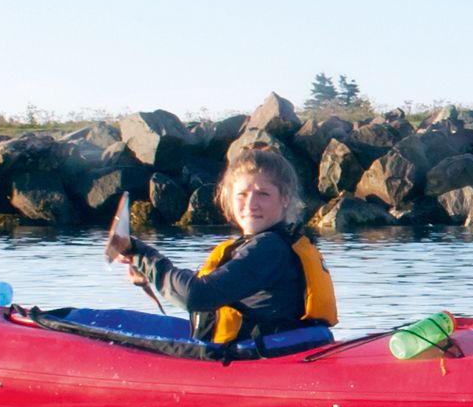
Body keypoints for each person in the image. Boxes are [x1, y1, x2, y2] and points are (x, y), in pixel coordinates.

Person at [105, 143, 338, 347]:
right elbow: (210, 287)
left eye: (263, 194)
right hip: (268, 354)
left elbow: (196, 295)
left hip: (258, 364)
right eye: (242, 194)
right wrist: (146, 269)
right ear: (228, 196)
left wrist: (142, 255)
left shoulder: (269, 249)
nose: (251, 204)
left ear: (285, 198)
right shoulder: (269, 244)